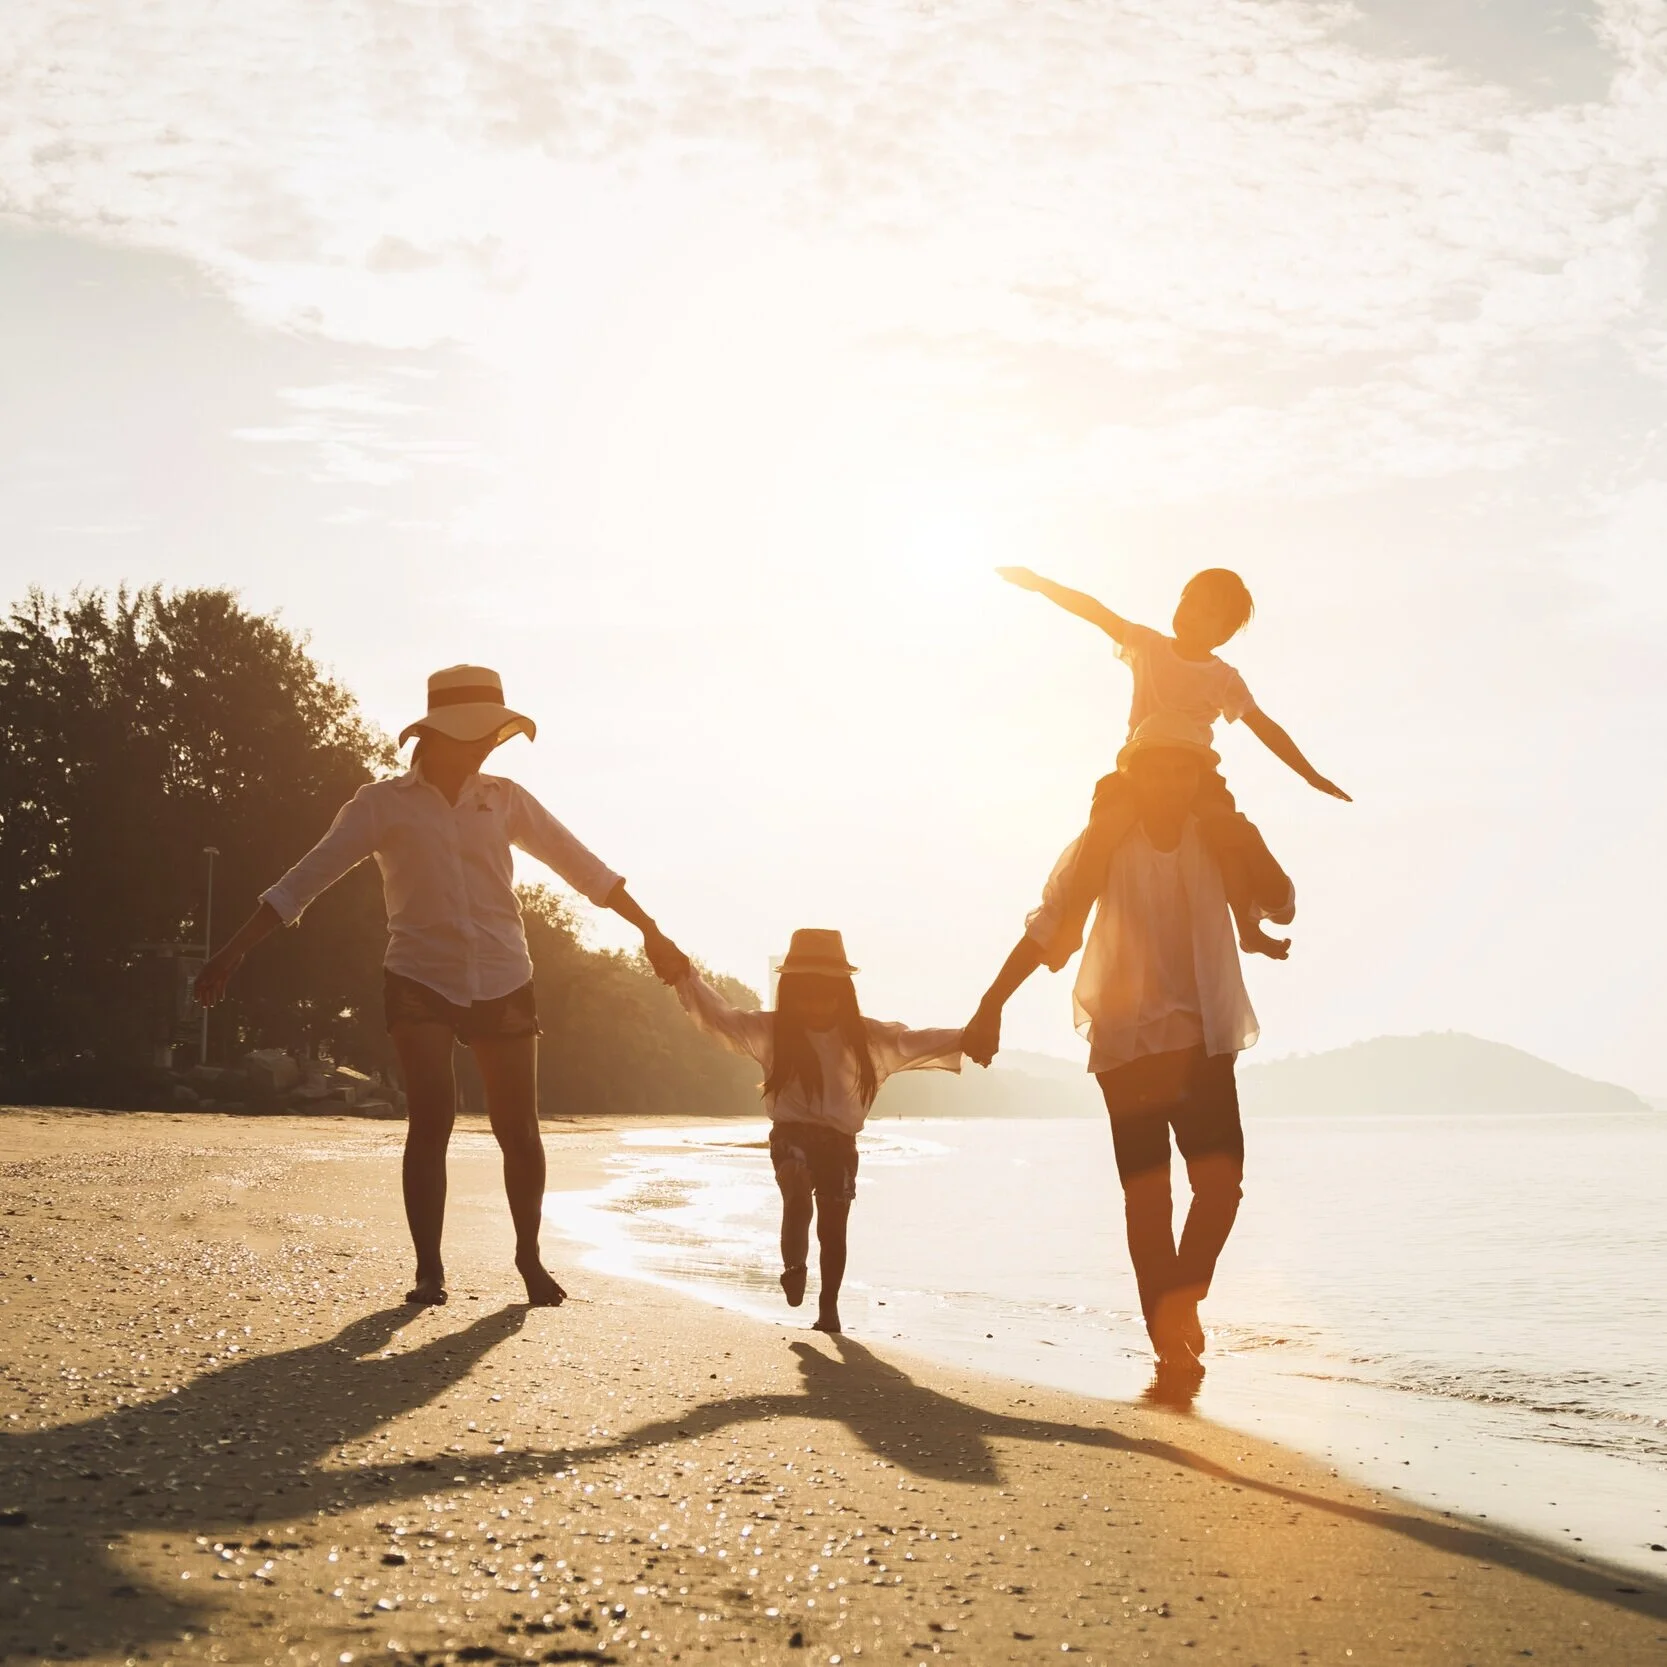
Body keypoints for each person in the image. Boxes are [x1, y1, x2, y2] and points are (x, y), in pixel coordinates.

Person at [194, 664, 689, 1309]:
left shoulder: (503, 798)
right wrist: (230, 952)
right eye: (479, 734)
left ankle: (530, 1259)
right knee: (432, 1120)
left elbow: (580, 865)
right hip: (419, 976)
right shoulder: (381, 805)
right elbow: (305, 878)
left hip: (504, 975)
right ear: (440, 735)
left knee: (520, 1129)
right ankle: (430, 1271)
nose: (490, 745)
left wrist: (650, 930)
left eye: (494, 735)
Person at [963, 713, 1289, 1380]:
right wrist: (990, 1003)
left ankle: (1181, 1299)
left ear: (1199, 777)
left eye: (1183, 769)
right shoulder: (1105, 844)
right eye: (1157, 769)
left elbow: (1280, 904)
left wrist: (1245, 835)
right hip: (1127, 1044)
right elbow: (1051, 926)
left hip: (1202, 1041)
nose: (1170, 781)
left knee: (1220, 1185)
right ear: (1133, 776)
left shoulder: (1217, 837)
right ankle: (1167, 1336)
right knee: (1147, 1198)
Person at [996, 564, 1347, 960]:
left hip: (1194, 775)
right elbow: (1094, 611)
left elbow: (1264, 726)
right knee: (1103, 829)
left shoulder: (1223, 678)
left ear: (1224, 633)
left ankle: (1247, 928)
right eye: (1189, 601)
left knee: (1223, 831)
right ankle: (1072, 926)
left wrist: (1310, 774)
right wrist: (1041, 584)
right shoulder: (1147, 644)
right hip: (1137, 770)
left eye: (1206, 611)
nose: (1192, 613)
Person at [669, 928, 967, 1335]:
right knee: (795, 1192)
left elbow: (914, 1042)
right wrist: (685, 975)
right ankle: (794, 1265)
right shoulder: (773, 1030)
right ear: (789, 991)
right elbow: (721, 1017)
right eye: (805, 992)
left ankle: (829, 1309)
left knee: (833, 1228)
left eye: (826, 992)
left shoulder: (865, 1036)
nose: (816, 1003)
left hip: (840, 1144)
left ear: (842, 993)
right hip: (791, 1134)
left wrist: (973, 1034)